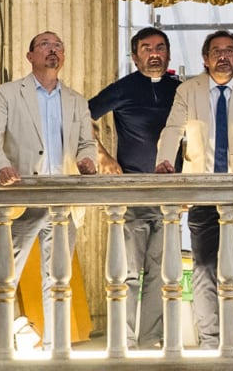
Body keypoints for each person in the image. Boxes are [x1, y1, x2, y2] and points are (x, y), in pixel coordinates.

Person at [155, 30, 233, 349]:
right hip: (202, 191)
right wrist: (165, 161)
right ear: (205, 59)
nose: (223, 56)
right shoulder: (188, 90)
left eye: (229, 51)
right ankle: (211, 341)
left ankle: (228, 337)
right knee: (204, 268)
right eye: (216, 51)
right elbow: (173, 128)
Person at [0, 31, 98, 350]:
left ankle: (56, 346)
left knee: (58, 279)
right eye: (45, 45)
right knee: (4, 275)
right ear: (30, 56)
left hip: (62, 201)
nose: (53, 50)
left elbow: (86, 142)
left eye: (59, 45)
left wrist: (87, 160)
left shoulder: (75, 100)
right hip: (22, 198)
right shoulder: (8, 93)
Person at [88, 27, 181, 349]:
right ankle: (123, 339)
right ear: (134, 56)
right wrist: (102, 155)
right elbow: (81, 117)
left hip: (170, 194)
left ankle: (152, 338)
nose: (154, 53)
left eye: (160, 47)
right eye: (146, 48)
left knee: (161, 273)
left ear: (168, 53)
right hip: (132, 191)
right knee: (128, 273)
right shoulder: (123, 88)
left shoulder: (180, 90)